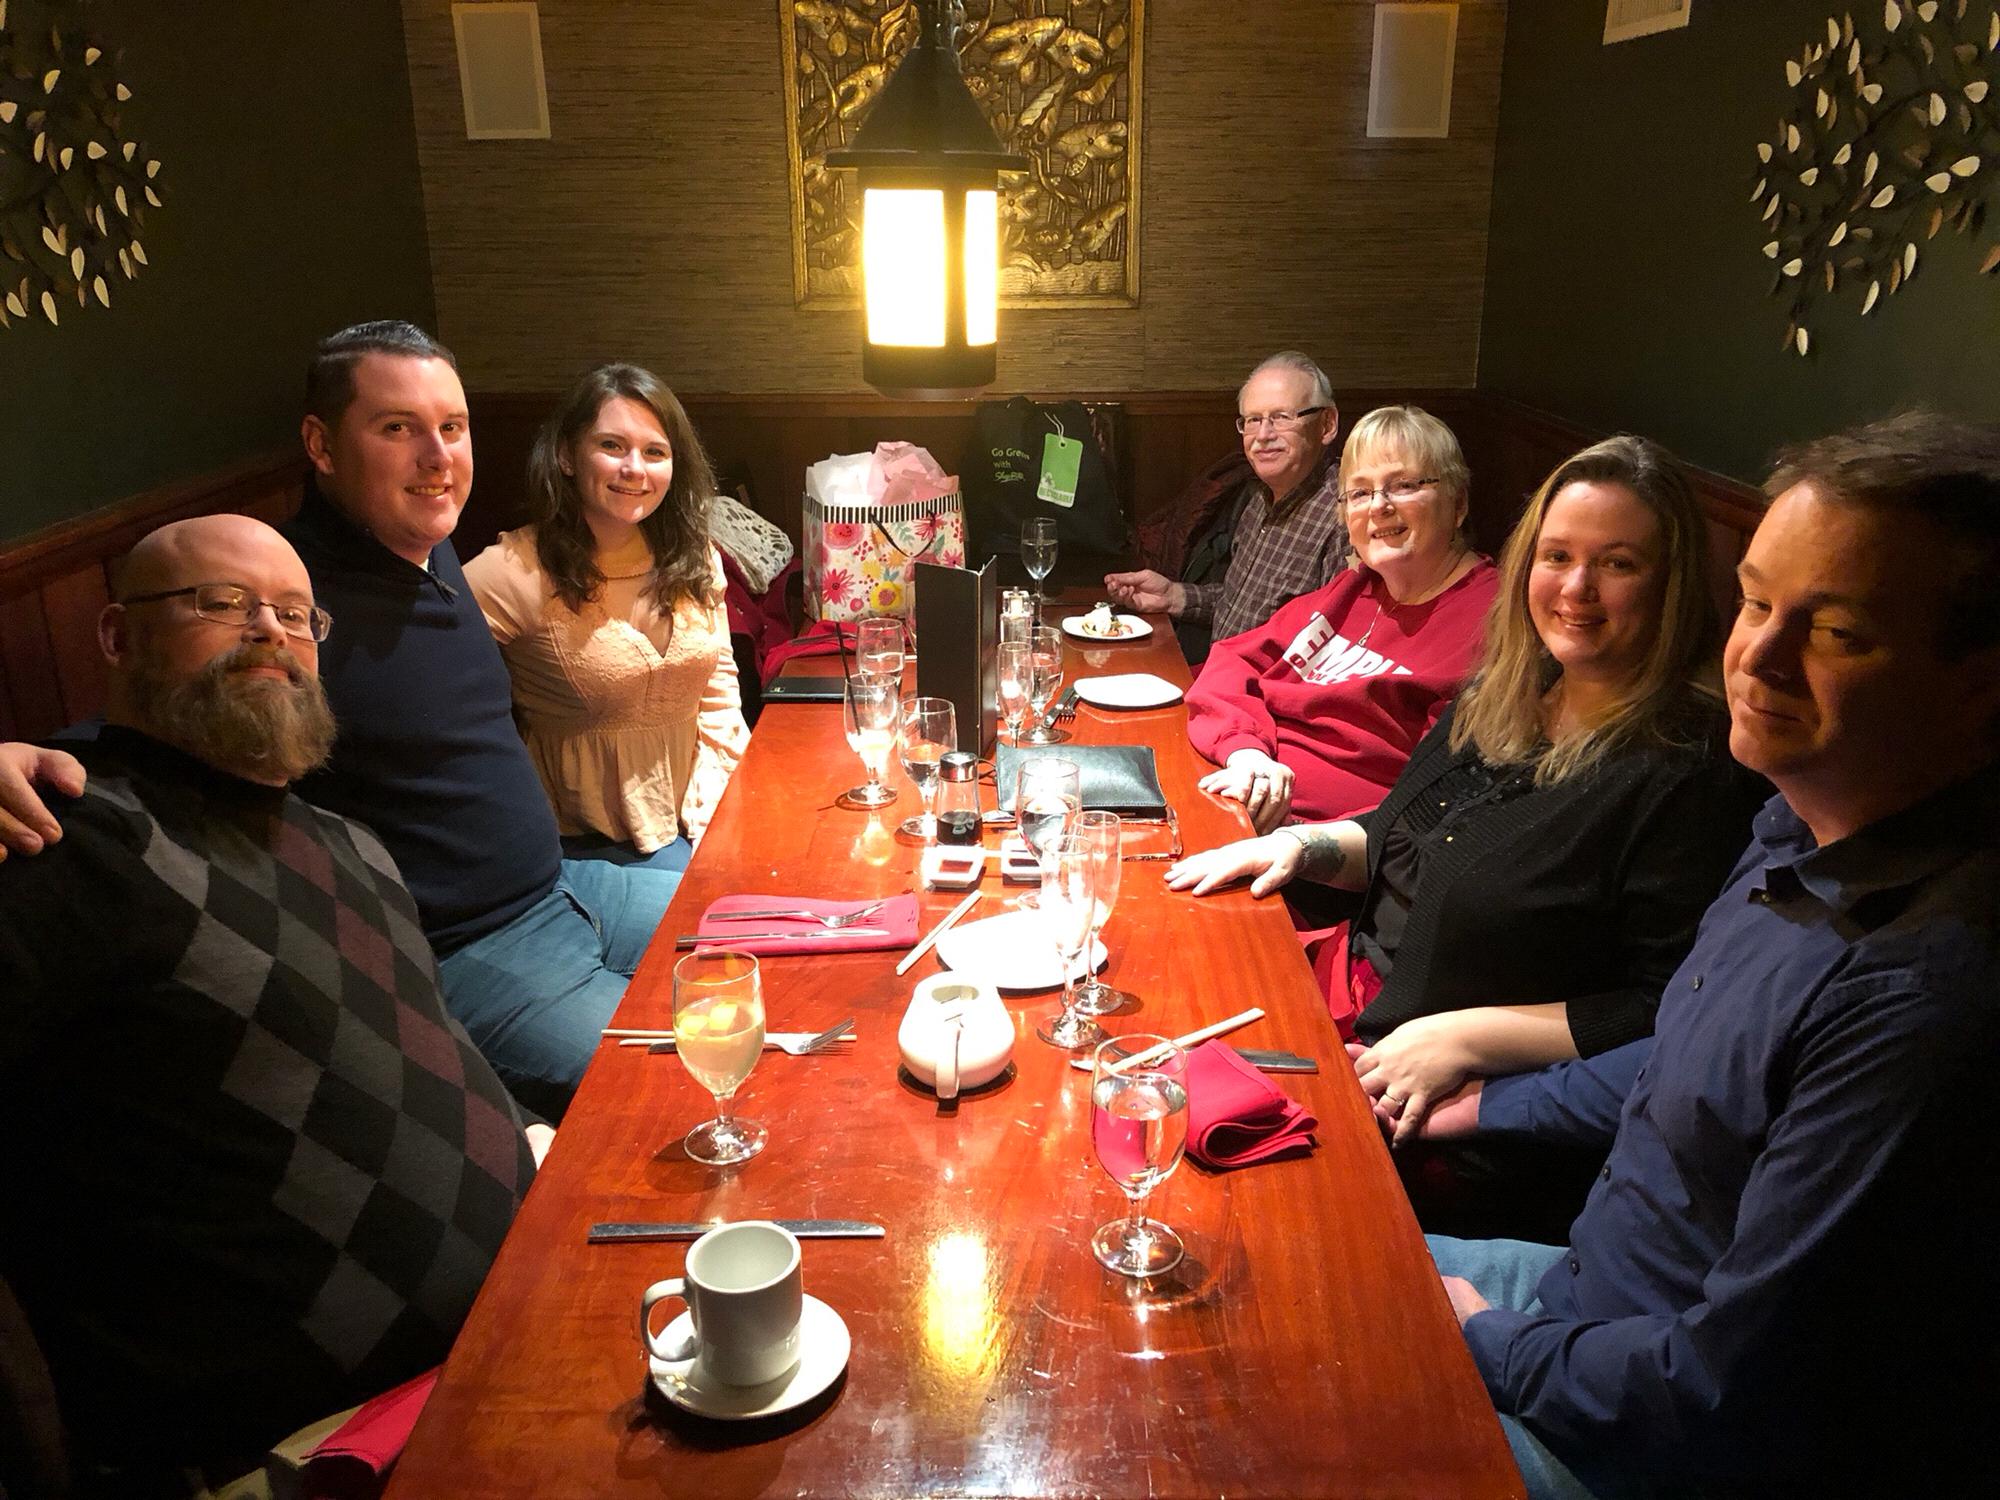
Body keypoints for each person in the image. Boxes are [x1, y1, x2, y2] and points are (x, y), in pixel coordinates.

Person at [1421, 412, 2000, 1498]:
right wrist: (1483, 1105)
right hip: (1579, 1300)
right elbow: (1683, 1060)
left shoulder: (1923, 990)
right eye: (1755, 602)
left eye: (1834, 632)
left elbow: (1725, 1389)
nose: (1757, 657)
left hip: (1643, 1434)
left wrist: (1484, 1342)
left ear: (1976, 684)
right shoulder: (1793, 822)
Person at [0, 321, 680, 1120]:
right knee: (677, 1089)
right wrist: (19, 752)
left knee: (787, 942)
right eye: (398, 428)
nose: (438, 457)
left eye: (452, 429)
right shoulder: (293, 602)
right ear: (321, 446)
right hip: (471, 952)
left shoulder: (435, 555)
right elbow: (159, 719)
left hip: (568, 882)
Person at [0, 515, 546, 1487]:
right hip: (324, 1445)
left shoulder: (352, 847)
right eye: (221, 603)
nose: (271, 630)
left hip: (529, 1316)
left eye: (297, 615)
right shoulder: (68, 846)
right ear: (119, 637)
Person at [1167, 437, 1766, 1238]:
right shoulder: (1511, 691)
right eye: (1557, 556)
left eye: (1617, 564)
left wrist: (1466, 1039)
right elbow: (1399, 836)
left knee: (1212, 1215)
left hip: (1443, 1106)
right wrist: (1298, 847)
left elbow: (1670, 1005)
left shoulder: (1689, 767)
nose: (1577, 588)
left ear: (1671, 583)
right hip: (1342, 998)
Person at [461, 363, 749, 871]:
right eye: (612, 446)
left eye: (655, 452)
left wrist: (723, 799)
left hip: (701, 813)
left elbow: (719, 683)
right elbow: (427, 663)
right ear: (567, 456)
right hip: (588, 844)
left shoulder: (692, 553)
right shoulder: (516, 572)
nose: (635, 468)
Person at [1182, 405, 1498, 832]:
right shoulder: (1355, 589)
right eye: (1360, 493)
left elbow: (1435, 807)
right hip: (1237, 794)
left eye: (1403, 485)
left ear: (1457, 503)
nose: (1379, 506)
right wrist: (1247, 753)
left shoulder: (1493, 618)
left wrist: (1302, 842)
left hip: (1322, 854)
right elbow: (1231, 661)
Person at [1104, 351, 1347, 658]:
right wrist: (1173, 596)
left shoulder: (1347, 516)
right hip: (1216, 679)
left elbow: (1334, 654)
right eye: (1253, 420)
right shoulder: (1258, 498)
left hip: (1258, 698)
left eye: (1281, 417)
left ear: (1327, 424)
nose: (1263, 435)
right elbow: (1242, 603)